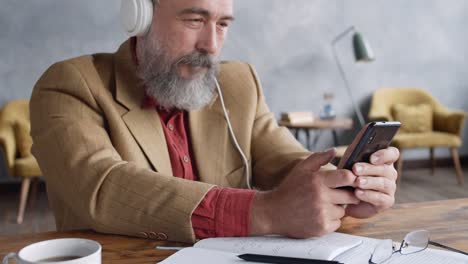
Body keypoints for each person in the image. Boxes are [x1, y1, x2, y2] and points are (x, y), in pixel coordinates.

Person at [30, 0, 399, 244]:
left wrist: (345, 187)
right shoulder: (69, 84)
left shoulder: (237, 82)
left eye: (222, 23)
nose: (211, 44)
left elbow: (286, 160)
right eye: (194, 19)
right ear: (139, 16)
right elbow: (103, 189)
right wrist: (266, 211)